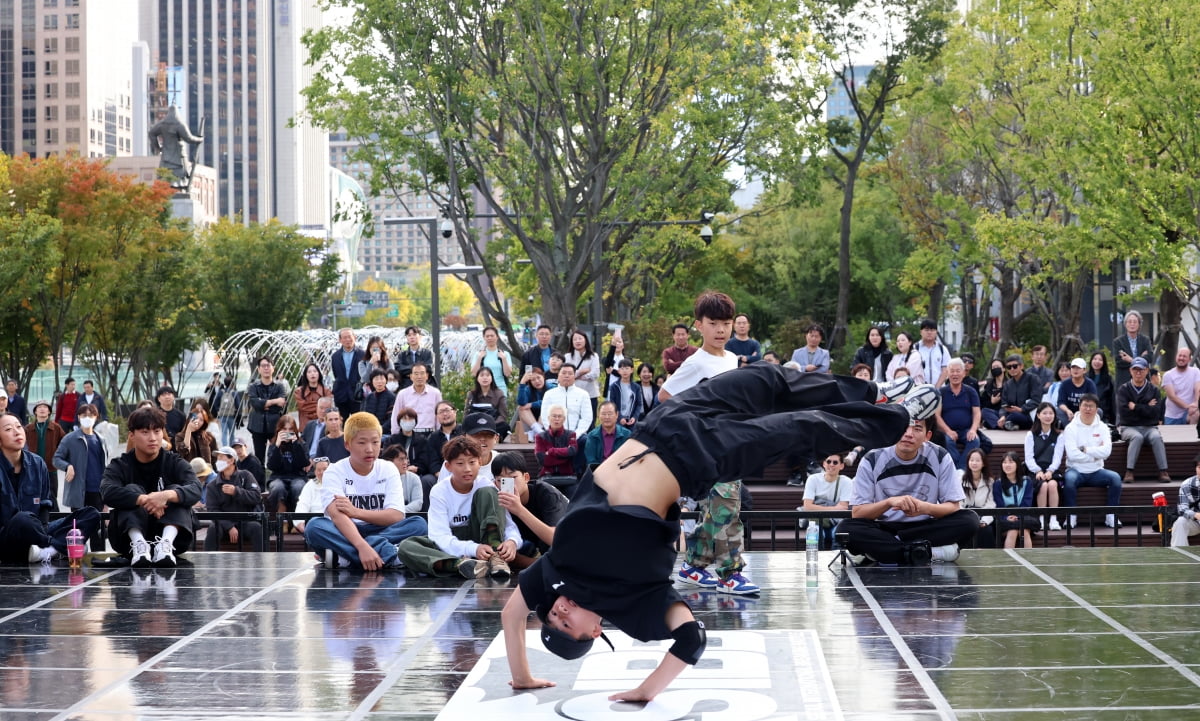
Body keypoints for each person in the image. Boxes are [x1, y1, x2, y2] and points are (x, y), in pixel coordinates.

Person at [500, 361, 939, 699]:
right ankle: (899, 416)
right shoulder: (637, 607)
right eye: (565, 622)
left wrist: (521, 677)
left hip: (662, 424)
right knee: (799, 430)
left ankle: (875, 393)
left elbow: (511, 614)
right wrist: (647, 689)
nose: (559, 610)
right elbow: (692, 639)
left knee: (763, 379)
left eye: (552, 613)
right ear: (594, 633)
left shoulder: (557, 575)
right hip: (697, 457)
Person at [660, 291, 756, 595]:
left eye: (726, 323)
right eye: (713, 323)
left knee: (719, 511)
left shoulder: (730, 358)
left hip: (729, 442)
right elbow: (665, 396)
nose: (721, 330)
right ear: (698, 326)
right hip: (706, 448)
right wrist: (695, 424)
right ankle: (730, 574)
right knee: (727, 509)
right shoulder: (696, 363)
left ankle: (693, 566)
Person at [840, 408, 979, 565]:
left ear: (928, 436)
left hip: (925, 527)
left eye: (917, 428)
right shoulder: (872, 458)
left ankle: (888, 552)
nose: (908, 433)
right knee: (846, 528)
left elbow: (953, 507)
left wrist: (925, 508)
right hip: (886, 528)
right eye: (904, 427)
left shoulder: (940, 456)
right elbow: (858, 513)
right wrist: (889, 502)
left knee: (970, 520)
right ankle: (924, 552)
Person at [305, 412, 428, 570]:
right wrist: (362, 546)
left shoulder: (388, 468)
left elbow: (396, 515)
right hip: (346, 530)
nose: (370, 449)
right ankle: (389, 554)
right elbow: (337, 516)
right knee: (315, 527)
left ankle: (345, 558)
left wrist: (355, 512)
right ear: (347, 444)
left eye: (375, 442)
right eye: (362, 443)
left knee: (419, 524)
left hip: (383, 528)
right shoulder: (334, 471)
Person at [396, 435, 521, 579]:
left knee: (488, 492)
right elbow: (440, 537)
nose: (467, 469)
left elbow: (508, 524)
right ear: (448, 466)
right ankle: (462, 565)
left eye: (472, 462)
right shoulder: (439, 491)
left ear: (480, 462)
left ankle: (496, 559)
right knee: (406, 547)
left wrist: (512, 541)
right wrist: (473, 549)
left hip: (484, 540)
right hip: (455, 545)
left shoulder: (487, 485)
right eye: (460, 463)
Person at [101, 406, 202, 567]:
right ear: (132, 436)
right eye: (145, 432)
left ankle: (164, 546)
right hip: (128, 541)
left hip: (173, 541)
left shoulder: (174, 462)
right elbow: (107, 491)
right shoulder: (120, 465)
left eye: (157, 431)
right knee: (132, 491)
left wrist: (166, 496)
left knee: (175, 491)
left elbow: (196, 488)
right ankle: (140, 547)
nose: (153, 438)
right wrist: (144, 499)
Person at [0, 413, 101, 565]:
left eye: (19, 427)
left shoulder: (37, 463)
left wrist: (43, 530)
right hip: (7, 536)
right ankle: (57, 546)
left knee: (90, 514)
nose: (16, 432)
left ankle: (48, 551)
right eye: (8, 429)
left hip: (38, 532)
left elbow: (44, 506)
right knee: (22, 519)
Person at [492, 450, 569, 569]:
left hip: (571, 542)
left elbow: (555, 539)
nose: (508, 485)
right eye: (501, 480)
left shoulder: (546, 493)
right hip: (532, 547)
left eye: (513, 478)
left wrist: (519, 510)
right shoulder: (496, 500)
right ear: (495, 484)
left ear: (526, 477)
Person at [1062, 394, 1123, 529]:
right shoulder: (1071, 428)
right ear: (1080, 407)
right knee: (1069, 480)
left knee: (1115, 479)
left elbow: (1106, 452)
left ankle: (1111, 515)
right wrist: (1095, 455)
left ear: (1096, 409)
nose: (1087, 409)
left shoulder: (1102, 427)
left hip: (1096, 471)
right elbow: (1072, 455)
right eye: (1085, 405)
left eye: (1091, 406)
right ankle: (1071, 516)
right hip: (1075, 470)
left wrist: (1085, 450)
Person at [51, 404, 107, 548]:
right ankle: (77, 554)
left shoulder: (101, 439)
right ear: (78, 417)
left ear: (96, 417)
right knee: (78, 527)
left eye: (90, 415)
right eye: (83, 415)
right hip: (78, 490)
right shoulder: (70, 439)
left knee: (98, 527)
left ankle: (98, 557)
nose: (87, 418)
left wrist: (107, 494)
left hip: (97, 490)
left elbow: (106, 466)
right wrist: (68, 466)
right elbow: (56, 459)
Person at [1117, 357, 1171, 482]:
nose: (1138, 372)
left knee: (1156, 437)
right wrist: (1146, 407)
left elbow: (1155, 413)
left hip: (1149, 427)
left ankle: (1163, 471)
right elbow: (1124, 413)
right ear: (1130, 371)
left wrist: (1135, 406)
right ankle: (1129, 471)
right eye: (1135, 369)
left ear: (1147, 371)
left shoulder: (1154, 390)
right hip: (1128, 427)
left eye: (1141, 369)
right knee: (1137, 437)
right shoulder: (1124, 389)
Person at [203, 446, 264, 552]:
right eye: (217, 458)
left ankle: (262, 561)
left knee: (256, 527)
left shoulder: (246, 476)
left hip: (245, 522)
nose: (218, 461)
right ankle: (208, 562)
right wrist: (229, 526)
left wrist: (236, 492)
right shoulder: (212, 485)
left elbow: (256, 496)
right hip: (224, 525)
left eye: (221, 458)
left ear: (231, 460)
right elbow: (212, 510)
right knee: (213, 528)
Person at [934, 358, 981, 470]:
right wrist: (948, 430)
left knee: (975, 440)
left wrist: (973, 429)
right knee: (946, 441)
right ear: (947, 374)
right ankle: (957, 469)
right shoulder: (941, 392)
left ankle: (961, 469)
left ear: (964, 373)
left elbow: (977, 413)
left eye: (958, 371)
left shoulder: (971, 391)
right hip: (946, 431)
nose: (955, 374)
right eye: (952, 371)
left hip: (966, 430)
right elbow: (936, 415)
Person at [1024, 401, 1064, 531]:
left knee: (1052, 484)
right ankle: (1041, 518)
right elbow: (1028, 458)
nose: (1048, 416)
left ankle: (1053, 518)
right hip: (1035, 470)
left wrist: (1051, 471)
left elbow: (1057, 458)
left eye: (1051, 413)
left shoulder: (1059, 435)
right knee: (1043, 484)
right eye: (1045, 413)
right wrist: (1038, 471)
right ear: (1038, 415)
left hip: (1052, 471)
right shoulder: (1031, 435)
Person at [802, 453, 852, 550]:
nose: (831, 464)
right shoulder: (813, 479)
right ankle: (817, 563)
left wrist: (817, 507)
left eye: (835, 462)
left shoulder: (846, 481)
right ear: (824, 464)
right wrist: (834, 508)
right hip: (816, 520)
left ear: (841, 466)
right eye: (828, 461)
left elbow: (843, 507)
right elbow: (807, 506)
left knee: (838, 534)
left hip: (836, 521)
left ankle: (837, 563)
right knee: (815, 534)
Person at [246, 356, 289, 464]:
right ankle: (260, 479)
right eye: (263, 366)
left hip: (275, 425)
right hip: (257, 426)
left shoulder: (280, 386)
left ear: (273, 368)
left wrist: (263, 403)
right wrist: (273, 401)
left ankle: (275, 476)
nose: (266, 368)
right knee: (259, 458)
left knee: (277, 453)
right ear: (259, 369)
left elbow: (280, 405)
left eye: (268, 365)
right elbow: (255, 404)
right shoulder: (253, 386)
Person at [267, 416, 309, 516]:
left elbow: (304, 463)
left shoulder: (301, 443)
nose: (287, 432)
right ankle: (281, 515)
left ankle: (297, 518)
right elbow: (272, 466)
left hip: (297, 476)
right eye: (284, 429)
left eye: (290, 429)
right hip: (278, 477)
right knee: (277, 488)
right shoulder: (273, 445)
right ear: (279, 430)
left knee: (298, 487)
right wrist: (277, 446)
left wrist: (296, 445)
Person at [23, 401, 65, 500]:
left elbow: (64, 444)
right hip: (32, 468)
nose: (42, 409)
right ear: (35, 411)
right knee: (33, 497)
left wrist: (58, 458)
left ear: (49, 412)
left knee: (52, 498)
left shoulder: (56, 428)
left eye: (45, 407)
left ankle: (53, 516)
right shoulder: (28, 429)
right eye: (39, 407)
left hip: (51, 468)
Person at [994, 451, 1034, 549]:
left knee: (1023, 530)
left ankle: (1030, 559)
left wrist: (1018, 516)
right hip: (1004, 518)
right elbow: (999, 505)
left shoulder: (1026, 481)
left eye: (1011, 462)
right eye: (1004, 462)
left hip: (1023, 516)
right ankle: (1009, 561)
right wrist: (1006, 517)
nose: (1007, 465)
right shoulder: (998, 484)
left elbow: (1027, 503)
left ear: (1017, 464)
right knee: (1013, 531)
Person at [541, 364, 593, 439]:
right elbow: (545, 416)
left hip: (577, 436)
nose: (567, 376)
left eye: (570, 373)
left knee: (586, 441)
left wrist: (576, 434)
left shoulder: (583, 394)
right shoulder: (549, 394)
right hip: (555, 435)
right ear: (558, 375)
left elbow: (587, 418)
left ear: (574, 376)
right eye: (564, 373)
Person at [959, 448, 996, 548]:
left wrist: (984, 520)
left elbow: (990, 503)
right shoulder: (960, 479)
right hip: (966, 515)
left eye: (978, 460)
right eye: (971, 460)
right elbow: (959, 504)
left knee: (987, 530)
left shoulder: (989, 481)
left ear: (983, 463)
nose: (974, 463)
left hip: (983, 514)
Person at [392, 362, 442, 433]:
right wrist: (395, 435)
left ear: (427, 376)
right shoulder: (402, 394)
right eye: (416, 374)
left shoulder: (435, 393)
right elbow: (395, 416)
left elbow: (439, 416)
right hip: (410, 433)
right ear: (411, 376)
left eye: (422, 373)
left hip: (430, 433)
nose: (419, 377)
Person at [998, 354, 1043, 430]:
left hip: (1027, 414)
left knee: (1014, 415)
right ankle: (1007, 423)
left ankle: (1008, 424)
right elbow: (1004, 404)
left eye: (1015, 366)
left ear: (1021, 366)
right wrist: (1003, 416)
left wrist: (1021, 409)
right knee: (986, 412)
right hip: (1010, 413)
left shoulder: (1033, 379)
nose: (1012, 369)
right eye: (1009, 367)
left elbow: (1036, 400)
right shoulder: (1007, 384)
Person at [385, 407, 434, 477]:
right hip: (395, 473)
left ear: (415, 421)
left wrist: (417, 468)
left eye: (410, 419)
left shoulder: (422, 440)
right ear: (399, 421)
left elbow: (425, 460)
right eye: (404, 419)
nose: (407, 421)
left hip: (416, 474)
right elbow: (387, 458)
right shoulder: (391, 440)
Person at [565, 329, 601, 422]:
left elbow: (595, 374)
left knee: (590, 421)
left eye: (580, 338)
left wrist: (576, 376)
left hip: (590, 394)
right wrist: (582, 371)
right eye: (575, 339)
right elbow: (567, 375)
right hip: (573, 394)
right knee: (573, 421)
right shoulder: (568, 357)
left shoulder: (594, 356)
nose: (577, 341)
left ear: (585, 340)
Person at [465, 367, 510, 439]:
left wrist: (490, 424)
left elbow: (503, 416)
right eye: (482, 375)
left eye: (488, 375)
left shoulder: (499, 393)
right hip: (475, 425)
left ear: (492, 378)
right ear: (477, 378)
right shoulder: (471, 394)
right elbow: (466, 414)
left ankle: (493, 438)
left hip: (493, 425)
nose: (485, 378)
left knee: (504, 426)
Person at [534, 406, 578, 478]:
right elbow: (542, 459)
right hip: (546, 476)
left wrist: (552, 451)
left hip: (567, 476)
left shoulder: (571, 434)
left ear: (564, 419)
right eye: (554, 416)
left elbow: (572, 451)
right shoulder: (540, 437)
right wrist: (565, 457)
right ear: (549, 418)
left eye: (559, 416)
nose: (557, 419)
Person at [332, 328, 366, 420]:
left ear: (355, 337)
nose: (347, 340)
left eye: (349, 337)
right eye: (344, 337)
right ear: (340, 340)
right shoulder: (335, 356)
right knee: (342, 424)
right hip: (341, 395)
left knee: (358, 423)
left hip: (357, 394)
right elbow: (336, 374)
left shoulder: (363, 354)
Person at [1113, 309, 1153, 387]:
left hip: (1143, 381)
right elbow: (1119, 361)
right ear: (1125, 324)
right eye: (1130, 322)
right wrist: (1140, 358)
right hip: (1124, 381)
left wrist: (1131, 360)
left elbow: (1149, 358)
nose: (1132, 324)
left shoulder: (1145, 340)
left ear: (1139, 324)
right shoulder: (1118, 342)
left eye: (1135, 322)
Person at [585, 401, 631, 467]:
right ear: (598, 415)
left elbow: (628, 458)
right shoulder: (592, 436)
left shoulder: (626, 434)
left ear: (617, 415)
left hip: (620, 471)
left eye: (610, 414)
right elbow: (591, 461)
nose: (607, 417)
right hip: (599, 472)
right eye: (603, 414)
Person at [380, 445, 424, 513]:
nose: (405, 462)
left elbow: (418, 503)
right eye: (401, 459)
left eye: (406, 459)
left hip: (405, 516)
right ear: (390, 462)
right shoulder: (380, 478)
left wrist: (397, 512)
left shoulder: (414, 478)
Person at [471, 326, 514, 395]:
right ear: (484, 337)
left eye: (492, 336)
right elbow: (474, 374)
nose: (489, 338)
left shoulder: (505, 354)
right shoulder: (478, 354)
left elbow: (508, 374)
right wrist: (479, 359)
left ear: (497, 337)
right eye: (487, 336)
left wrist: (504, 359)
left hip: (500, 390)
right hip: (483, 390)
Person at [1056, 357, 1099, 427]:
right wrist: (1067, 411)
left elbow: (1094, 401)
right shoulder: (1065, 384)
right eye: (1073, 368)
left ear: (1084, 370)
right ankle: (1069, 429)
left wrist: (1082, 412)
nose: (1075, 370)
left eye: (1078, 368)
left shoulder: (1090, 384)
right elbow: (1060, 402)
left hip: (1085, 410)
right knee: (1059, 411)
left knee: (1099, 411)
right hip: (1069, 412)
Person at [1163, 347, 1200, 426]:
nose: (1181, 358)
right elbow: (1172, 396)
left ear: (1189, 359)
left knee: (1195, 414)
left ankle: (1193, 437)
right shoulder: (1168, 375)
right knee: (1172, 438)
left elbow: (1198, 389)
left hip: (1189, 413)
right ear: (1176, 357)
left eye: (1184, 356)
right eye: (1180, 355)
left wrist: (1196, 403)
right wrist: (1188, 406)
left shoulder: (1196, 372)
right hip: (1172, 415)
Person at [294, 456, 330, 534]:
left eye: (325, 469)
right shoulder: (310, 485)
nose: (322, 472)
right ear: (315, 472)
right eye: (319, 470)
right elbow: (302, 504)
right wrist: (300, 523)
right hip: (316, 523)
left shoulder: (338, 483)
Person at [1170, 454, 1200, 547]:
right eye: (1199, 467)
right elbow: (1182, 509)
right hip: (1196, 522)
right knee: (1180, 522)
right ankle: (1179, 557)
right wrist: (1196, 515)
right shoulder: (1187, 484)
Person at [294, 362, 332, 429]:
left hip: (323, 426)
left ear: (319, 374)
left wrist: (316, 408)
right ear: (305, 375)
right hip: (305, 427)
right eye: (309, 372)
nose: (312, 374)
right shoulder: (299, 392)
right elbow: (303, 407)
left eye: (315, 371)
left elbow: (328, 408)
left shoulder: (326, 391)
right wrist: (320, 408)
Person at [916, 318, 952, 387]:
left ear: (936, 332)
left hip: (939, 389)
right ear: (921, 332)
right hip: (919, 389)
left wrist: (937, 387)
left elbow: (946, 370)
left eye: (932, 330)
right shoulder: (915, 349)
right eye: (926, 330)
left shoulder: (942, 349)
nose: (929, 332)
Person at [606, 359, 641, 428]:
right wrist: (620, 417)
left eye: (627, 368)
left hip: (631, 421)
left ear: (632, 370)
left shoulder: (636, 387)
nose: (624, 371)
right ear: (619, 371)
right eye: (622, 368)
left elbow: (639, 404)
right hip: (618, 421)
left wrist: (634, 417)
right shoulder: (614, 386)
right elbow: (612, 404)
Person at [516, 367, 549, 437]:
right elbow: (521, 403)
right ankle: (538, 431)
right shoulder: (528, 389)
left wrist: (532, 404)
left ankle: (535, 432)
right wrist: (522, 383)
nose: (537, 381)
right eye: (533, 380)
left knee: (547, 408)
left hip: (546, 422)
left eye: (538, 378)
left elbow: (550, 401)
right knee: (521, 408)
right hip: (530, 421)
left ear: (543, 377)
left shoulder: (551, 387)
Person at [212, 374, 244, 446]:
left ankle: (225, 448)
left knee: (224, 433)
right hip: (231, 416)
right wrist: (237, 414)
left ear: (224, 383)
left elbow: (215, 403)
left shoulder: (221, 392)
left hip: (222, 415)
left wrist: (219, 410)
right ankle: (231, 447)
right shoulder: (234, 393)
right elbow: (238, 405)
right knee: (232, 433)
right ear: (232, 383)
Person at [1089, 351, 1116, 422]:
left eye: (1100, 360)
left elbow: (1112, 400)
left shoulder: (1108, 379)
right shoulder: (1085, 377)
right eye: (1095, 359)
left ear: (1104, 363)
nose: (1097, 362)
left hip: (1103, 414)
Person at [980, 359, 1006, 429]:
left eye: (997, 366)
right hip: (993, 413)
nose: (995, 369)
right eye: (993, 367)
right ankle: (1002, 425)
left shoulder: (1010, 384)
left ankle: (996, 424)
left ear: (1003, 368)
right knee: (984, 411)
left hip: (1006, 412)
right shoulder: (988, 386)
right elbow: (983, 404)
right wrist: (992, 402)